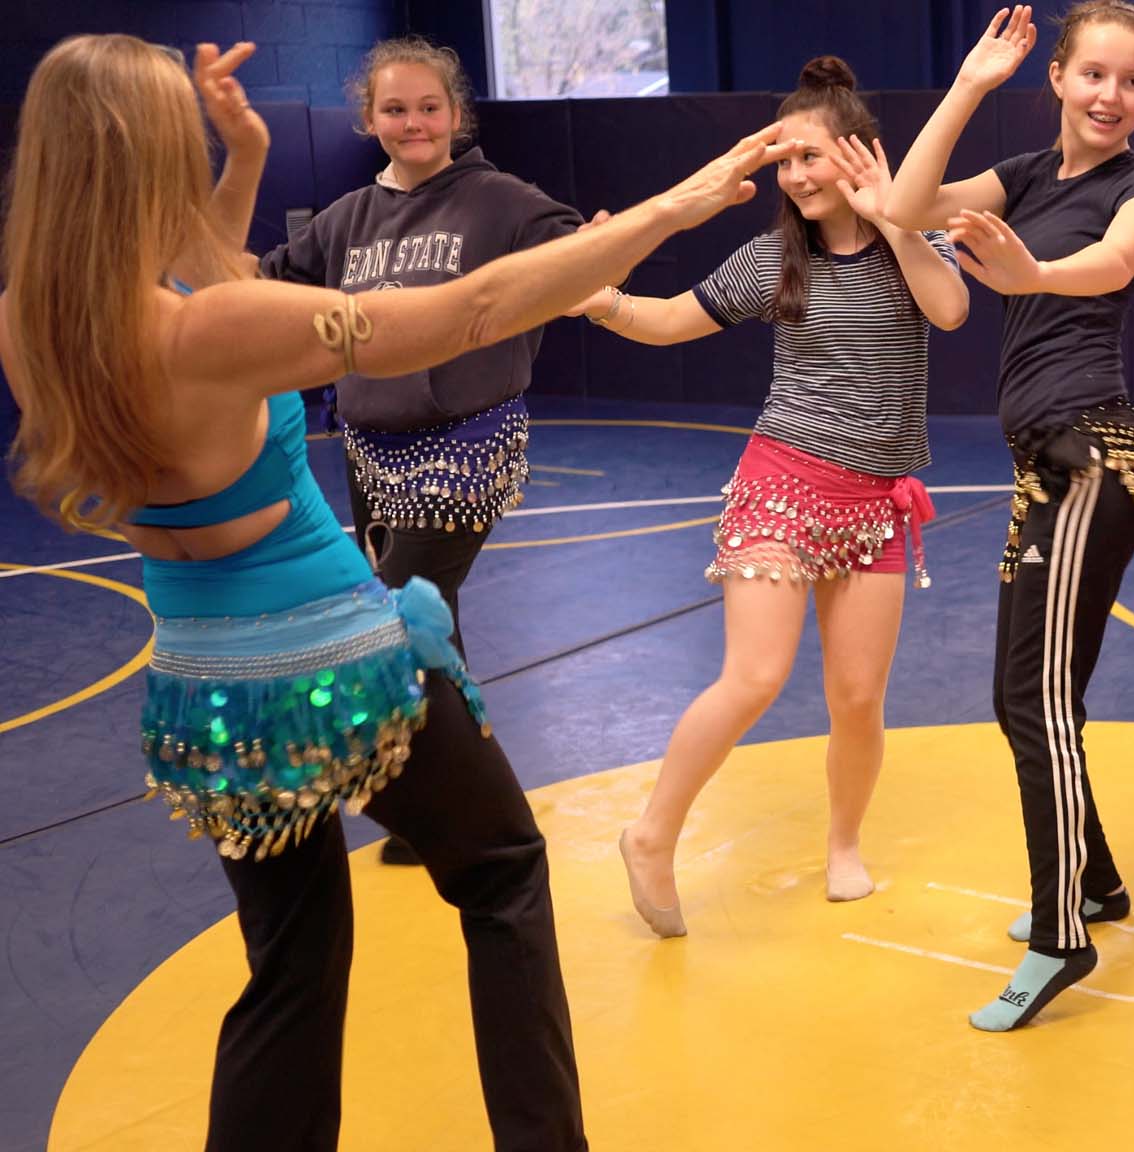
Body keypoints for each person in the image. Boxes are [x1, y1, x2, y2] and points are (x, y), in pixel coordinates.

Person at [1, 33, 796, 1151]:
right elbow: (468, 313)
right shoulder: (211, 329)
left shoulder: (39, 321)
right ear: (143, 161)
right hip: (332, 667)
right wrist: (669, 209)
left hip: (207, 694)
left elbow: (211, 299)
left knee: (292, 961)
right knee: (506, 871)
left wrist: (244, 159)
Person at [886, 2, 1134, 1032]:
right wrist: (970, 83)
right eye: (1094, 75)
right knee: (1032, 692)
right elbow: (903, 206)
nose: (1111, 95)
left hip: (1091, 461)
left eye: (1132, 80)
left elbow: (1115, 263)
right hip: (1046, 468)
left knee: (1033, 700)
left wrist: (1031, 274)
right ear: (1060, 79)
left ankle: (1061, 933)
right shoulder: (1025, 174)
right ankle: (1100, 882)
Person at [602, 55, 968, 937]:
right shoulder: (771, 260)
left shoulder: (912, 244)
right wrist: (602, 301)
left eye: (811, 156)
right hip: (782, 485)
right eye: (785, 161)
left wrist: (898, 220)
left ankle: (844, 846)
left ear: (859, 156)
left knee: (856, 699)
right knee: (756, 674)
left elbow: (950, 310)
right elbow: (667, 321)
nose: (797, 175)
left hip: (876, 502)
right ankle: (651, 835)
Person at [260, 35, 594, 866]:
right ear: (370, 119)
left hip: (467, 441)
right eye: (396, 109)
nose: (414, 122)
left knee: (394, 615)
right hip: (371, 444)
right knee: (427, 623)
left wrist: (600, 249)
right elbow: (270, 286)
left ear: (455, 113)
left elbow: (573, 255)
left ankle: (477, 816)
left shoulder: (499, 199)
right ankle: (449, 801)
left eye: (429, 107)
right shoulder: (347, 219)